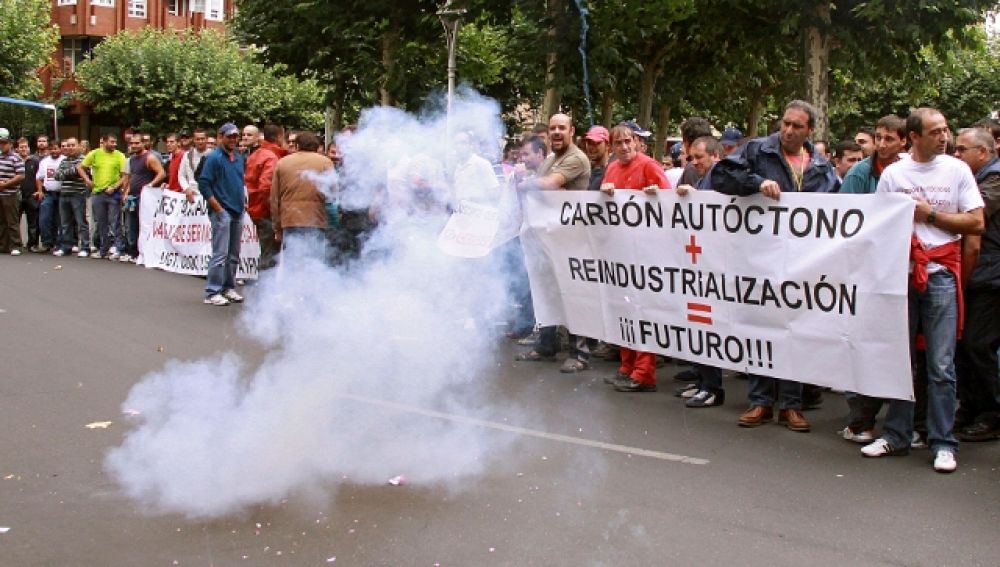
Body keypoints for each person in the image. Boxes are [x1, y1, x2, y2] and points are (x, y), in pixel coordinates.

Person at [861, 108, 984, 474]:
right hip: (901, 275)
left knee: (941, 364)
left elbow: (976, 221)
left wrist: (929, 215)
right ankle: (897, 435)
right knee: (900, 359)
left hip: (941, 274)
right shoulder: (894, 174)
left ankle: (943, 441)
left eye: (945, 130)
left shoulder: (957, 170)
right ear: (913, 137)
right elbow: (876, 225)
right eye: (935, 131)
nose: (944, 137)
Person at [710, 99, 840, 432]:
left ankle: (791, 405)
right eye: (785, 123)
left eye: (797, 126)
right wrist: (756, 183)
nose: (788, 130)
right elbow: (722, 175)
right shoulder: (757, 150)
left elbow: (835, 210)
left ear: (810, 130)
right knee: (761, 325)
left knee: (794, 329)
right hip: (760, 257)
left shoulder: (822, 167)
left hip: (800, 262)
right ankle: (760, 401)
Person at [836, 114, 909, 443]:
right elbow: (844, 219)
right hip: (865, 272)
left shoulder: (908, 173)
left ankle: (901, 422)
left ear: (904, 141)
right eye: (877, 137)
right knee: (861, 343)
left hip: (902, 273)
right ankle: (861, 417)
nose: (881, 144)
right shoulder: (859, 173)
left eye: (889, 139)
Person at [515, 113, 591, 365]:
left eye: (562, 128)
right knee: (546, 287)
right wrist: (538, 185)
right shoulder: (551, 159)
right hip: (549, 237)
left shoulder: (576, 158)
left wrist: (534, 185)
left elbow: (548, 184)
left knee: (574, 293)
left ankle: (579, 353)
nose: (557, 132)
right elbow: (542, 184)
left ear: (572, 131)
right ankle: (547, 344)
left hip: (571, 237)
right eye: (553, 128)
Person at [951, 126, 1000, 442]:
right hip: (975, 273)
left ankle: (991, 413)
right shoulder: (971, 179)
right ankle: (971, 407)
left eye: (962, 149)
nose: (956, 155)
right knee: (963, 347)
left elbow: (971, 214)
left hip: (990, 277)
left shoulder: (994, 180)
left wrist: (931, 210)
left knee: (977, 345)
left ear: (982, 152)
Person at [674, 136, 726, 407]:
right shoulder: (704, 179)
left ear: (715, 156)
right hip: (702, 265)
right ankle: (705, 382)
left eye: (699, 158)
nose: (694, 163)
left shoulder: (720, 176)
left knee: (708, 325)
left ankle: (713, 387)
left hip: (714, 268)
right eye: (691, 158)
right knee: (700, 324)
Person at [198, 123, 247, 306]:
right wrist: (218, 208)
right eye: (229, 136)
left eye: (236, 136)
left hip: (237, 210)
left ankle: (228, 287)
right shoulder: (214, 158)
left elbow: (240, 181)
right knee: (220, 253)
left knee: (233, 253)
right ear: (220, 137)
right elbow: (204, 184)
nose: (233, 139)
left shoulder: (239, 158)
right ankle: (212, 291)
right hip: (223, 211)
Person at [271, 131, 335, 259]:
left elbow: (274, 198)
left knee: (293, 261)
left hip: (290, 219)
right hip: (316, 219)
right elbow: (333, 193)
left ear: (297, 145)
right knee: (314, 260)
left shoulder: (282, 163)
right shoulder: (325, 162)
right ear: (316, 146)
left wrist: (277, 227)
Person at [245, 124, 287, 270]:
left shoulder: (257, 154)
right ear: (279, 136)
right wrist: (274, 211)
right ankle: (264, 289)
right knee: (269, 253)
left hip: (256, 207)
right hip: (264, 210)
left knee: (266, 250)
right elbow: (266, 187)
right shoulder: (271, 157)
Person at [78, 133, 127, 260]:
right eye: (112, 142)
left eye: (115, 142)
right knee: (101, 223)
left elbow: (125, 175)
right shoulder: (95, 154)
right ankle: (103, 249)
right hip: (97, 192)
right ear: (104, 142)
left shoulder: (119, 155)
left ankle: (119, 249)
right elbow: (80, 167)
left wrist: (115, 187)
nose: (114, 144)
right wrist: (87, 180)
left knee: (115, 222)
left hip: (113, 193)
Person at [122, 133, 166, 262]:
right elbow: (131, 178)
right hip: (132, 198)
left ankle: (145, 253)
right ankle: (133, 253)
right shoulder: (132, 159)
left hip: (145, 198)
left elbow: (162, 173)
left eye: (137, 143)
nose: (134, 146)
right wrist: (126, 193)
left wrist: (150, 185)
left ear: (143, 143)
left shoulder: (150, 157)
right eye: (132, 143)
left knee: (144, 226)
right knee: (131, 226)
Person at [54, 138, 90, 257]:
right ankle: (66, 247)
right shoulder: (64, 160)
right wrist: (73, 171)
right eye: (68, 145)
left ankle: (85, 247)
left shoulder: (83, 159)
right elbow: (57, 176)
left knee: (81, 222)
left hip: (77, 194)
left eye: (72, 145)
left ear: (78, 146)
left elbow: (81, 171)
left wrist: (71, 172)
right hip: (64, 194)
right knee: (65, 223)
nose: (70, 147)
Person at [34, 139, 64, 254]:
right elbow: (39, 178)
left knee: (60, 220)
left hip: (62, 194)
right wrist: (40, 191)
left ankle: (59, 243)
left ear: (60, 149)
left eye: (56, 148)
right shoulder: (44, 162)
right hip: (48, 193)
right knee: (44, 219)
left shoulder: (64, 161)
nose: (53, 151)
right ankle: (47, 243)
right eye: (51, 149)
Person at [0, 128, 26, 255]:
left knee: (12, 221)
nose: (2, 145)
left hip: (11, 193)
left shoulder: (16, 157)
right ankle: (3, 245)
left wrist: (5, 184)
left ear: (10, 144)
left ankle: (16, 245)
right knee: (1, 221)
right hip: (0, 193)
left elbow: (21, 175)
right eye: (0, 143)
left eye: (4, 143)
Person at [19, 137, 44, 252]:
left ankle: (32, 244)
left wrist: (39, 190)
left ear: (29, 148)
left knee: (33, 221)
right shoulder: (15, 160)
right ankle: (16, 243)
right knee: (14, 221)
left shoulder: (35, 161)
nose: (23, 149)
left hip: (31, 194)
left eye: (25, 147)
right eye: (21, 147)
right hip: (17, 194)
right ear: (17, 149)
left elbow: (39, 177)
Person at [178, 129, 209, 203]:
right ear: (194, 140)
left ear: (206, 139)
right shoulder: (187, 155)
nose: (200, 141)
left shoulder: (213, 155)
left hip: (209, 196)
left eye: (202, 139)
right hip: (191, 196)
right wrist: (186, 188)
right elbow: (181, 175)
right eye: (198, 139)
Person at [583, 125, 610, 192]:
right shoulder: (584, 170)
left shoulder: (613, 170)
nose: (591, 147)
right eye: (589, 143)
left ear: (608, 146)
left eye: (596, 143)